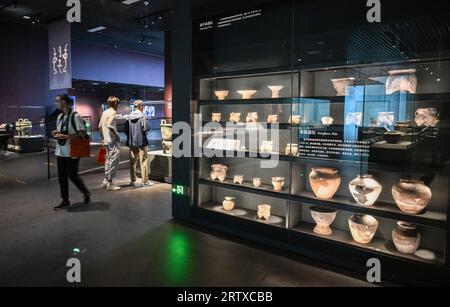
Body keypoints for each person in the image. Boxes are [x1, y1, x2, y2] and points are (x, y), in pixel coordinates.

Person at [52, 94, 90, 210]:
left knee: (73, 175)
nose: (56, 103)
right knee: (61, 177)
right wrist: (55, 133)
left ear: (64, 102)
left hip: (72, 151)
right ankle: (65, 200)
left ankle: (86, 192)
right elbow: (60, 132)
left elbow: (82, 133)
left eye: (57, 101)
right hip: (60, 151)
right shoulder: (60, 117)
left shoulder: (76, 116)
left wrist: (67, 136)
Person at [125, 100, 153, 187]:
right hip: (142, 142)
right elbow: (146, 128)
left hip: (132, 142)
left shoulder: (128, 117)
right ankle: (144, 181)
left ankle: (133, 181)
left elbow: (126, 130)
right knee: (143, 161)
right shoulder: (143, 116)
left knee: (132, 162)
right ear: (140, 106)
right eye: (142, 106)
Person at [99, 96, 122, 191]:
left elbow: (100, 126)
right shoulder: (113, 112)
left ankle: (105, 181)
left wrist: (103, 138)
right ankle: (110, 183)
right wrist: (117, 135)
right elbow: (109, 125)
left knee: (108, 160)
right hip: (112, 141)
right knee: (114, 160)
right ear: (116, 103)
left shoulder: (105, 112)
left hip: (106, 140)